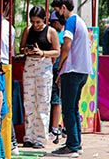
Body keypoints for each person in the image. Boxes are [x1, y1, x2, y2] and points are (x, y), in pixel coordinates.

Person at [50, 0, 92, 157]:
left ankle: (72, 146)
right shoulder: (80, 21)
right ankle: (76, 143)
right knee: (72, 108)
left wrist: (59, 67)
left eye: (57, 10)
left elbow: (66, 45)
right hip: (82, 71)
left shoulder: (71, 21)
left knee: (68, 108)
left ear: (63, 8)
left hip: (72, 70)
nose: (57, 14)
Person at [20, 6, 60, 149]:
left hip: (44, 67)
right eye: (33, 22)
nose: (35, 25)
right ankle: (29, 136)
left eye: (38, 22)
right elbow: (21, 47)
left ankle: (41, 138)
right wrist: (27, 50)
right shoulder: (28, 30)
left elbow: (56, 51)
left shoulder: (51, 31)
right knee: (29, 102)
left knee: (43, 102)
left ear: (44, 19)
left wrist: (42, 52)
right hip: (30, 64)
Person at [49, 10, 66, 144]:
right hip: (58, 71)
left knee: (56, 99)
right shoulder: (64, 34)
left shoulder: (59, 35)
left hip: (57, 70)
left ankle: (54, 129)